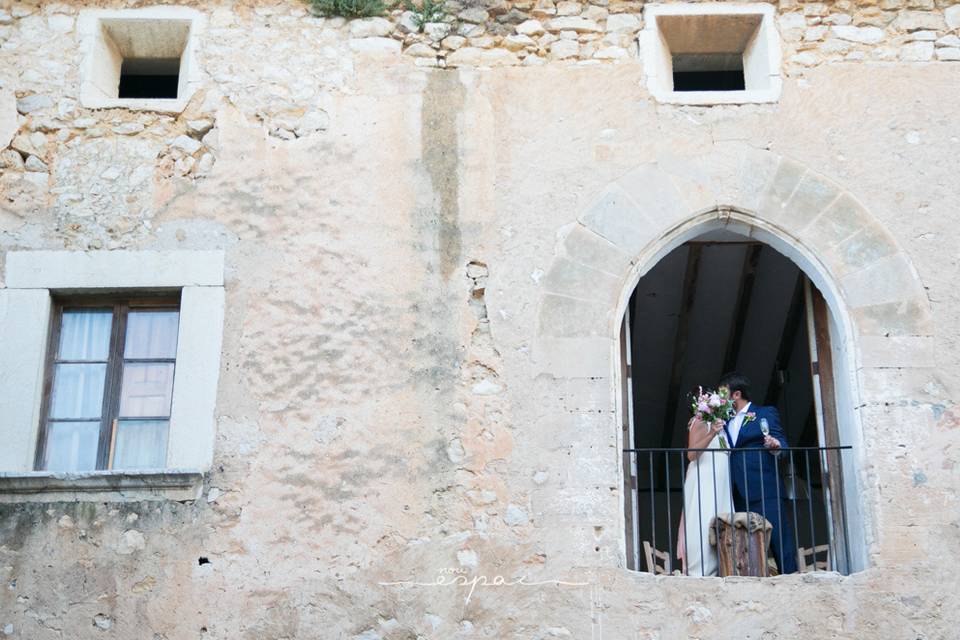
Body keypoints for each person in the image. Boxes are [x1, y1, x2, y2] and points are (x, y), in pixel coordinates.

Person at [718, 371, 798, 574]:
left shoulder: (764, 413)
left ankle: (790, 579)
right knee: (747, 544)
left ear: (736, 394)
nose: (719, 398)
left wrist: (775, 444)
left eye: (723, 393)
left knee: (780, 540)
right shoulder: (722, 422)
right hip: (736, 490)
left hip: (764, 486)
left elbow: (783, 444)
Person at [678, 409, 733, 576]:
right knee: (703, 520)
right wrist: (711, 434)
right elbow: (692, 454)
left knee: (723, 520)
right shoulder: (701, 421)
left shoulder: (722, 427)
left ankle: (724, 568)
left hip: (720, 484)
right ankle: (700, 572)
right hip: (704, 481)